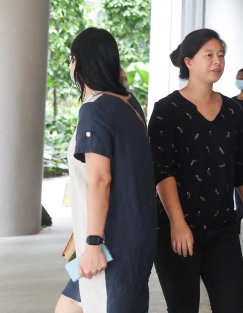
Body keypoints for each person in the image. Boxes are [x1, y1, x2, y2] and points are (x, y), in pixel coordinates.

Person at [149, 29, 243, 313]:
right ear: (188, 61)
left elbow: (241, 168)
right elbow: (161, 172)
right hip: (177, 228)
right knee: (183, 307)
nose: (218, 62)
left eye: (221, 55)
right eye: (209, 55)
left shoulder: (232, 110)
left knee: (231, 307)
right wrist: (177, 223)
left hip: (222, 228)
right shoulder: (167, 110)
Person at [56, 28, 156, 313]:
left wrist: (93, 244)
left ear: (78, 62)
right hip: (134, 232)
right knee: (68, 306)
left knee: (104, 304)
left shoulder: (95, 109)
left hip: (109, 240)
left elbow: (101, 179)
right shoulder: (129, 103)